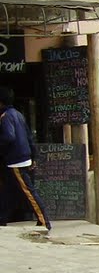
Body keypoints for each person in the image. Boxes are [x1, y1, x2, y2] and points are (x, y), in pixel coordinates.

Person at [0, 86, 51, 230]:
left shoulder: (6, 117)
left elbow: (9, 137)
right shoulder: (18, 114)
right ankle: (2, 218)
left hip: (15, 160)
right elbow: (29, 136)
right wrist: (33, 155)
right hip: (23, 157)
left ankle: (44, 220)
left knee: (28, 191)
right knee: (9, 192)